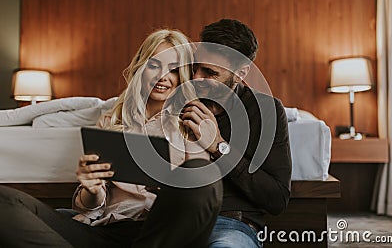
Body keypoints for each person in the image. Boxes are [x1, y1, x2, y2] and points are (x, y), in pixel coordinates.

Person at [0, 29, 222, 248]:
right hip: (106, 231)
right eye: (154, 65)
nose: (162, 77)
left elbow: (199, 196)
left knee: (204, 174)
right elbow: (90, 208)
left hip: (158, 233)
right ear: (140, 68)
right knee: (5, 200)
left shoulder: (191, 122)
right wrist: (92, 189)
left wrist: (168, 186)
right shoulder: (112, 119)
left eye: (173, 69)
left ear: (182, 76)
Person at [181, 19, 292, 248]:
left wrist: (220, 147)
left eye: (210, 72)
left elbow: (277, 199)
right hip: (172, 219)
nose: (196, 78)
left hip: (230, 224)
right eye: (196, 67)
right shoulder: (178, 99)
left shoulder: (266, 111)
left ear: (240, 73)